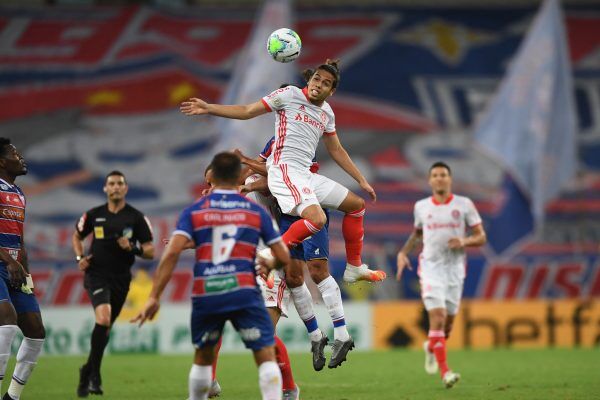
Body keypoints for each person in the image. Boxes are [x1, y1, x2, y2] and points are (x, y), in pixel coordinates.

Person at [180, 59, 386, 285]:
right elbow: (248, 110)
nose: (319, 84)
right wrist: (209, 108)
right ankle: (270, 253)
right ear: (310, 79)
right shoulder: (289, 95)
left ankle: (354, 268)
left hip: (305, 175)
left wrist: (361, 180)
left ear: (332, 91)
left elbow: (336, 149)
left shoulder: (327, 113)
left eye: (326, 83)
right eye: (317, 78)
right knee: (316, 219)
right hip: (283, 170)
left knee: (356, 205)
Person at [132, 152, 290, 400]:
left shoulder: (196, 210)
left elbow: (170, 253)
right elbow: (282, 253)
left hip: (208, 292)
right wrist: (270, 262)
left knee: (203, 358)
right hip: (244, 291)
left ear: (213, 176)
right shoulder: (254, 211)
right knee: (264, 355)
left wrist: (154, 296)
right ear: (238, 176)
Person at [239, 138, 354, 370]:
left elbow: (288, 177)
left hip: (310, 209)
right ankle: (316, 337)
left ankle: (342, 334)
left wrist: (249, 177)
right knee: (292, 277)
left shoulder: (298, 139)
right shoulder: (272, 142)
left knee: (318, 271)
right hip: (287, 216)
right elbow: (256, 172)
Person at [395, 161, 487, 389]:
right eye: (435, 175)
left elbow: (481, 237)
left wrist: (464, 241)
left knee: (447, 327)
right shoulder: (421, 206)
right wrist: (403, 252)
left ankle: (431, 346)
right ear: (429, 180)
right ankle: (446, 372)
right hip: (430, 268)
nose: (439, 178)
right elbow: (417, 234)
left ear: (450, 179)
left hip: (455, 270)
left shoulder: (464, 204)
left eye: (443, 174)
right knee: (437, 317)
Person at [72, 170, 155, 397]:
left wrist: (133, 248)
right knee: (104, 318)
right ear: (105, 188)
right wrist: (80, 258)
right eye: (112, 183)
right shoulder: (93, 214)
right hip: (96, 274)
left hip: (121, 278)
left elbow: (150, 250)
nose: (116, 187)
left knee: (105, 328)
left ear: (126, 188)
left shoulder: (136, 217)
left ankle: (86, 370)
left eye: (120, 183)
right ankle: (95, 375)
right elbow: (77, 236)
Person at [0, 138, 45, 400]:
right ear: (2, 161)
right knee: (7, 319)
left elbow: (19, 239)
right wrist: (10, 261)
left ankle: (12, 397)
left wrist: (25, 272)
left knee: (36, 331)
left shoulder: (18, 193)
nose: (21, 157)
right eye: (15, 154)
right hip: (3, 266)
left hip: (15, 269)